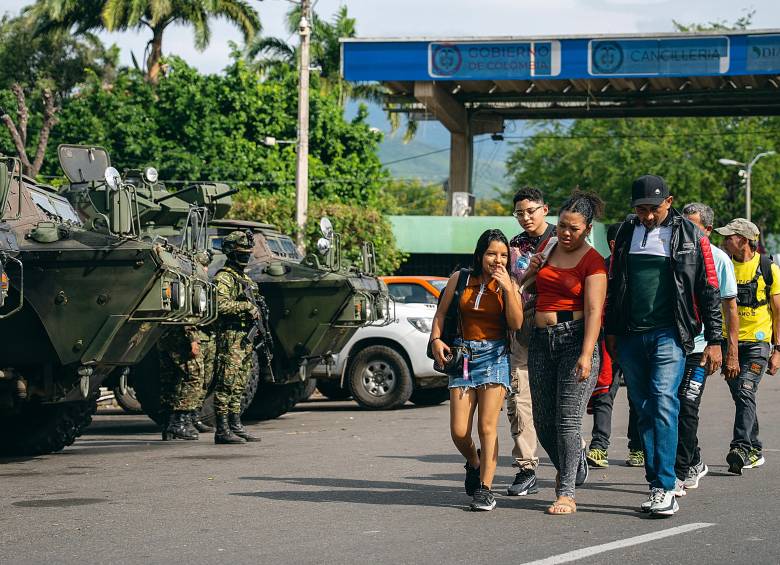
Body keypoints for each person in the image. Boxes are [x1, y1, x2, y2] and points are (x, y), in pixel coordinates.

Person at [605, 175, 722, 517]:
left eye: (653, 208)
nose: (647, 216)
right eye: (640, 209)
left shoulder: (691, 235)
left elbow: (709, 290)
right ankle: (657, 481)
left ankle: (666, 486)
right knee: (643, 409)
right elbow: (615, 284)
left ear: (668, 202)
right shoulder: (626, 232)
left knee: (663, 401)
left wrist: (715, 340)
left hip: (670, 333)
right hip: (629, 335)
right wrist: (611, 331)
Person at [523, 191, 607, 515]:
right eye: (562, 226)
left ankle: (566, 491)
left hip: (575, 341)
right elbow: (528, 288)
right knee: (543, 422)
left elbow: (595, 310)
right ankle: (574, 462)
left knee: (567, 422)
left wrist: (587, 354)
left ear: (587, 228)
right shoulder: (549, 249)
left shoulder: (593, 261)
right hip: (542, 341)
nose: (566, 233)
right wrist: (532, 269)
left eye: (574, 228)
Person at [430, 229, 523, 511]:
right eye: (492, 254)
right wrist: (436, 339)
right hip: (463, 357)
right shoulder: (460, 278)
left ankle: (485, 489)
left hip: (494, 357)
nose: (498, 260)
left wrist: (507, 288)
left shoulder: (510, 284)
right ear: (480, 254)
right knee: (459, 431)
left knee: (487, 427)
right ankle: (474, 461)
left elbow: (516, 324)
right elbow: (441, 313)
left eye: (504, 255)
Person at [672, 204, 739, 489]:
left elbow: (730, 308)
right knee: (670, 406)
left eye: (693, 225)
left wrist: (728, 351)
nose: (685, 230)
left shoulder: (719, 259)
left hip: (702, 348)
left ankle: (683, 468)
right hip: (674, 345)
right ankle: (695, 459)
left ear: (707, 230)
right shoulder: (674, 254)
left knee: (687, 404)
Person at [714, 218, 780, 475]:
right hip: (728, 343)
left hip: (758, 344)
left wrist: (778, 350)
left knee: (745, 389)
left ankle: (740, 447)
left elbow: (777, 312)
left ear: (742, 240)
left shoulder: (768, 268)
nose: (723, 240)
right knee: (743, 396)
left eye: (728, 237)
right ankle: (755, 448)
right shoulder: (724, 265)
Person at [505, 187, 555, 496]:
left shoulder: (564, 240)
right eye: (519, 213)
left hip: (557, 329)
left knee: (556, 398)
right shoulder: (513, 247)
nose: (525, 217)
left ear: (545, 209)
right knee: (519, 398)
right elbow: (510, 286)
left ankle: (572, 452)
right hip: (521, 330)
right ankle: (526, 468)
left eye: (530, 211)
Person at [586, 223, 643, 469]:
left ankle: (637, 448)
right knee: (604, 393)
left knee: (636, 397)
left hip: (635, 341)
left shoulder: (641, 267)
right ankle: (599, 447)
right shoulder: (600, 269)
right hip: (606, 341)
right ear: (612, 244)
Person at [212, 230, 262, 445]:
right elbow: (220, 305)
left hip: (245, 338)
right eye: (242, 253)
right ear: (231, 253)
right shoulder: (223, 277)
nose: (246, 257)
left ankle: (235, 424)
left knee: (240, 383)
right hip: (231, 336)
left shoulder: (246, 279)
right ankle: (222, 429)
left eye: (248, 254)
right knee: (226, 383)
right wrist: (245, 306)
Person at [159, 326, 207, 441]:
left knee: (171, 380)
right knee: (194, 378)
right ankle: (178, 423)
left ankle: (168, 425)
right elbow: (188, 318)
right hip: (181, 337)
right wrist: (193, 339)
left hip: (165, 333)